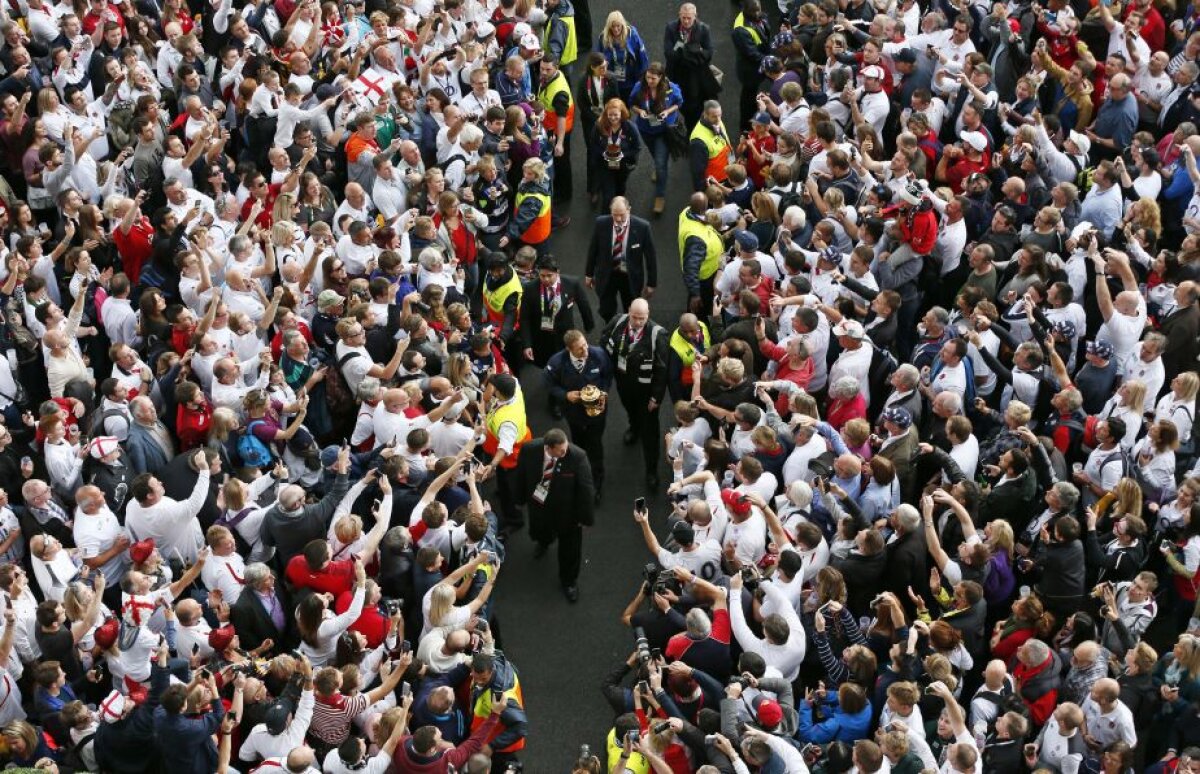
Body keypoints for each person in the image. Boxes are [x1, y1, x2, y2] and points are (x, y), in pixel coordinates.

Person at [514, 428, 595, 602]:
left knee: (570, 549)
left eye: (566, 448)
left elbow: (586, 490)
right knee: (540, 530)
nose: (565, 452)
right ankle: (543, 542)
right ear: (548, 448)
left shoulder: (578, 457)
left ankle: (569, 581)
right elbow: (521, 474)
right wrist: (519, 498)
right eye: (561, 450)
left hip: (567, 513)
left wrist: (584, 518)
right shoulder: (529, 450)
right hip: (539, 505)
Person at [598, 299, 667, 485]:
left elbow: (662, 370)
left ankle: (651, 471)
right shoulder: (618, 322)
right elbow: (603, 342)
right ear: (628, 311)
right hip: (623, 382)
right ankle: (633, 428)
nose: (637, 322)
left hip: (646, 391)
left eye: (641, 319)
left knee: (650, 431)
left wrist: (656, 397)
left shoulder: (657, 334)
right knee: (630, 409)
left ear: (648, 315)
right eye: (634, 317)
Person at [544, 329, 614, 497]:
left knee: (595, 446)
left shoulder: (598, 355)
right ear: (569, 349)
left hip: (597, 413)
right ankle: (581, 474)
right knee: (578, 445)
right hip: (573, 412)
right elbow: (548, 384)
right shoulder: (557, 362)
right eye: (580, 349)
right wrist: (565, 395)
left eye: (585, 345)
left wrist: (603, 393)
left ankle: (597, 483)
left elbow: (607, 376)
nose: (585, 351)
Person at [585, 196, 658, 321]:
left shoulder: (643, 227)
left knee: (630, 309)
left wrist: (651, 283)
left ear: (629, 209)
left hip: (629, 276)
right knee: (606, 310)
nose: (618, 219)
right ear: (610, 211)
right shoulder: (601, 223)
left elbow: (651, 257)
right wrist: (589, 274)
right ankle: (611, 330)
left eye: (622, 215)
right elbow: (593, 250)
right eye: (615, 215)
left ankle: (628, 331)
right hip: (607, 274)